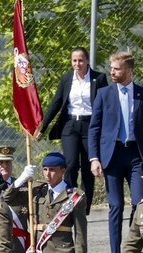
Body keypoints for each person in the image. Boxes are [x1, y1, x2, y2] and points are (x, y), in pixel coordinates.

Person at [89, 51, 143, 253]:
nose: (111, 71)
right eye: (111, 67)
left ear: (129, 70)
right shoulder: (104, 94)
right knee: (116, 206)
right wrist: (94, 158)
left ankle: (135, 251)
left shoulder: (141, 93)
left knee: (139, 205)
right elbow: (94, 128)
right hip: (112, 156)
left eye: (116, 68)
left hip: (136, 156)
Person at [38, 47, 108, 213]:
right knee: (70, 164)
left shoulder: (99, 78)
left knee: (87, 166)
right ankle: (68, 202)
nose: (78, 64)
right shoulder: (67, 79)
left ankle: (84, 207)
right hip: (70, 124)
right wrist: (43, 127)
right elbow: (56, 103)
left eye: (81, 60)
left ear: (87, 61)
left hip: (91, 125)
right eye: (74, 60)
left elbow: (106, 104)